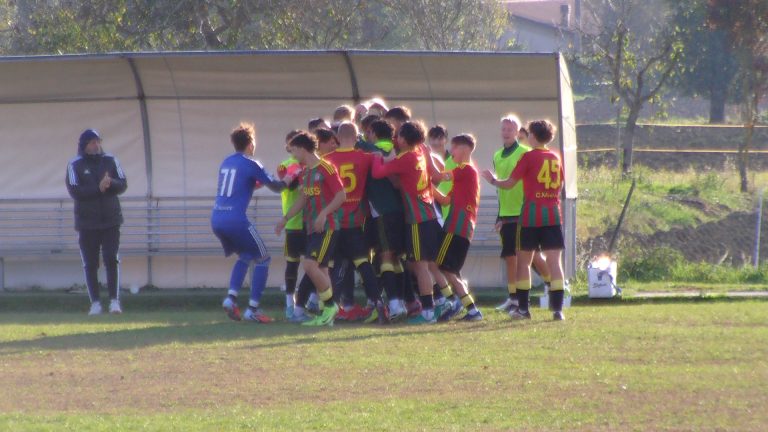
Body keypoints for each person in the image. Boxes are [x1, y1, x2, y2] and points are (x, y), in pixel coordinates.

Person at [482, 120, 566, 321]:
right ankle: (557, 310)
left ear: (534, 137)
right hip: (553, 214)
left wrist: (493, 180)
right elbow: (560, 185)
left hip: (530, 214)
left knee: (524, 262)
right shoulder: (555, 157)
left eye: (528, 134)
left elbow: (510, 183)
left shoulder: (528, 156)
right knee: (555, 262)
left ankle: (523, 309)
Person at [371, 121, 453, 324]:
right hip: (427, 216)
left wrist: (376, 158)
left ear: (404, 140)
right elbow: (401, 182)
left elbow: (377, 173)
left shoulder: (407, 157)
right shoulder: (419, 154)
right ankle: (444, 300)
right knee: (418, 264)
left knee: (421, 266)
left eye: (398, 136)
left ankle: (428, 311)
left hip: (418, 220)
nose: (395, 139)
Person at [212, 123, 292, 323]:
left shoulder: (226, 162)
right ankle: (253, 309)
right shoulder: (251, 163)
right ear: (250, 143)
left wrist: (255, 184)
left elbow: (235, 188)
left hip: (217, 218)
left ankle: (231, 299)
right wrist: (288, 181)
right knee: (264, 258)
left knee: (246, 255)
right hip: (235, 220)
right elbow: (275, 187)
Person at [276, 131, 346, 326]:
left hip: (328, 227)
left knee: (309, 265)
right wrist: (285, 219)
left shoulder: (326, 168)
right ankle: (327, 314)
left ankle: (331, 306)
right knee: (322, 269)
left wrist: (324, 213)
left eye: (294, 150)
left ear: (302, 149)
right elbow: (302, 199)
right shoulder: (306, 172)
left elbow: (341, 196)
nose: (293, 155)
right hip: (312, 228)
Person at [324, 122, 388, 324]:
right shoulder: (365, 157)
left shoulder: (326, 160)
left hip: (334, 219)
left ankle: (332, 307)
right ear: (356, 137)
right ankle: (377, 303)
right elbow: (383, 158)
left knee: (335, 263)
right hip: (355, 218)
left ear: (336, 137)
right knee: (362, 262)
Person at [491, 115, 551, 313]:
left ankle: (554, 284)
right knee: (510, 256)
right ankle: (514, 298)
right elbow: (501, 187)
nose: (506, 132)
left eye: (510, 129)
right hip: (507, 214)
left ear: (518, 132)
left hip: (524, 212)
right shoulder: (497, 155)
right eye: (503, 129)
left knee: (528, 257)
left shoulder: (525, 153)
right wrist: (499, 215)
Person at [66, 129, 128, 315]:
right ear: (84, 145)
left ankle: (114, 302)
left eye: (98, 142)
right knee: (90, 263)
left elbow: (123, 183)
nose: (96, 145)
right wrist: (98, 188)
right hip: (87, 223)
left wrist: (111, 184)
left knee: (111, 258)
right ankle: (95, 303)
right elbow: (75, 191)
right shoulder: (74, 164)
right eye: (92, 142)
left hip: (111, 220)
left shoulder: (110, 160)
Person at [357, 119, 411, 321]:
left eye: (368, 132)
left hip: (382, 211)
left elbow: (364, 147)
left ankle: (396, 304)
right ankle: (404, 301)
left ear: (372, 133)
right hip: (399, 211)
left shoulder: (375, 151)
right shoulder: (397, 149)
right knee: (395, 257)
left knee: (386, 257)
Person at [433, 134, 484, 321]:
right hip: (460, 226)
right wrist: (428, 188)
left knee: (438, 264)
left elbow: (439, 176)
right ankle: (471, 309)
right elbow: (445, 200)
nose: (451, 153)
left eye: (453, 149)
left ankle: (452, 301)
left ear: (463, 149)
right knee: (449, 269)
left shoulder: (465, 170)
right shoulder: (464, 175)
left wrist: (422, 165)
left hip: (457, 225)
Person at [277, 130, 305, 319]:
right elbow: (289, 183)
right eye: (291, 144)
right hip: (293, 223)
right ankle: (290, 302)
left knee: (316, 264)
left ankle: (310, 301)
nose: (293, 147)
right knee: (292, 264)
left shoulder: (312, 163)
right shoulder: (284, 166)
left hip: (312, 222)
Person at [428, 125, 456, 217]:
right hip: (431, 205)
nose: (436, 142)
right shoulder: (424, 160)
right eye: (433, 138)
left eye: (440, 138)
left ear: (446, 140)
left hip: (451, 205)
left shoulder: (454, 160)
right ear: (429, 140)